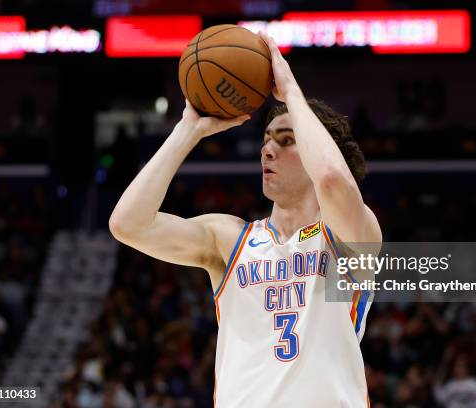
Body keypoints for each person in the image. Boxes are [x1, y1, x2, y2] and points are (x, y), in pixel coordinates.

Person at [109, 32, 382, 407]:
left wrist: (291, 94)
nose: (267, 149)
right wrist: (187, 130)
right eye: (266, 139)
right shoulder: (230, 239)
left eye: (286, 140)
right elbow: (128, 224)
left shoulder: (351, 233)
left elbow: (333, 180)